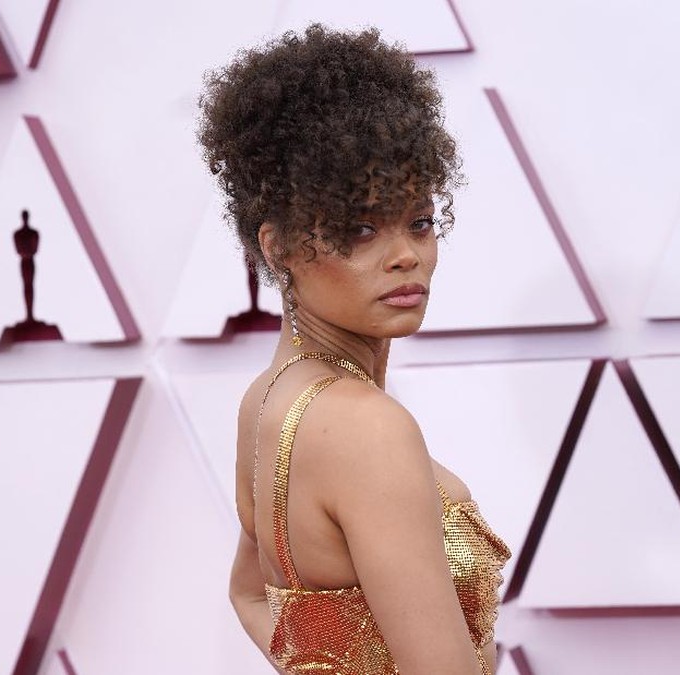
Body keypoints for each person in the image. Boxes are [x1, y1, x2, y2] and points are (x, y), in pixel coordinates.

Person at [197, 24, 511, 674]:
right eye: (360, 227)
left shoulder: (268, 399)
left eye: (420, 222)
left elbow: (250, 594)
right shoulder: (368, 428)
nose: (405, 255)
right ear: (279, 247)